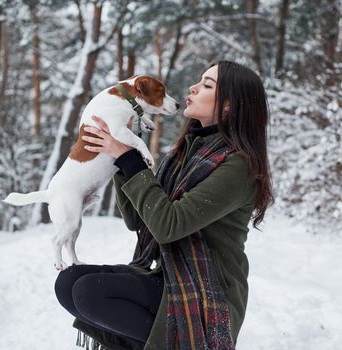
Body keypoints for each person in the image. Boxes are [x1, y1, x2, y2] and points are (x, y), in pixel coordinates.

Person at [54, 60, 274, 350]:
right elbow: (138, 220)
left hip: (206, 291)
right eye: (200, 80)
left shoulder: (238, 166)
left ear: (229, 106)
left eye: (207, 85)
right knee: (69, 282)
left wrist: (129, 159)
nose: (193, 87)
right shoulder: (184, 154)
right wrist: (118, 156)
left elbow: (168, 226)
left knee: (88, 293)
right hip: (170, 276)